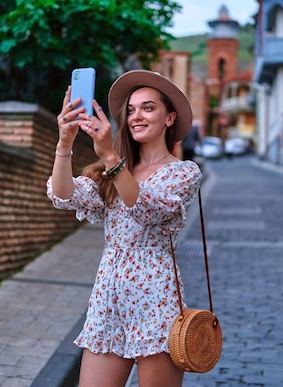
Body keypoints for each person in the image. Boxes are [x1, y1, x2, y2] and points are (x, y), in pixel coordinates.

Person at [46, 70, 202, 387]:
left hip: (156, 297)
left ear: (169, 118)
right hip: (108, 297)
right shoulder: (111, 173)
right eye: (130, 110)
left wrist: (109, 155)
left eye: (147, 107)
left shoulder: (183, 172)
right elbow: (63, 195)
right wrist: (65, 143)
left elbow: (146, 209)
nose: (136, 116)